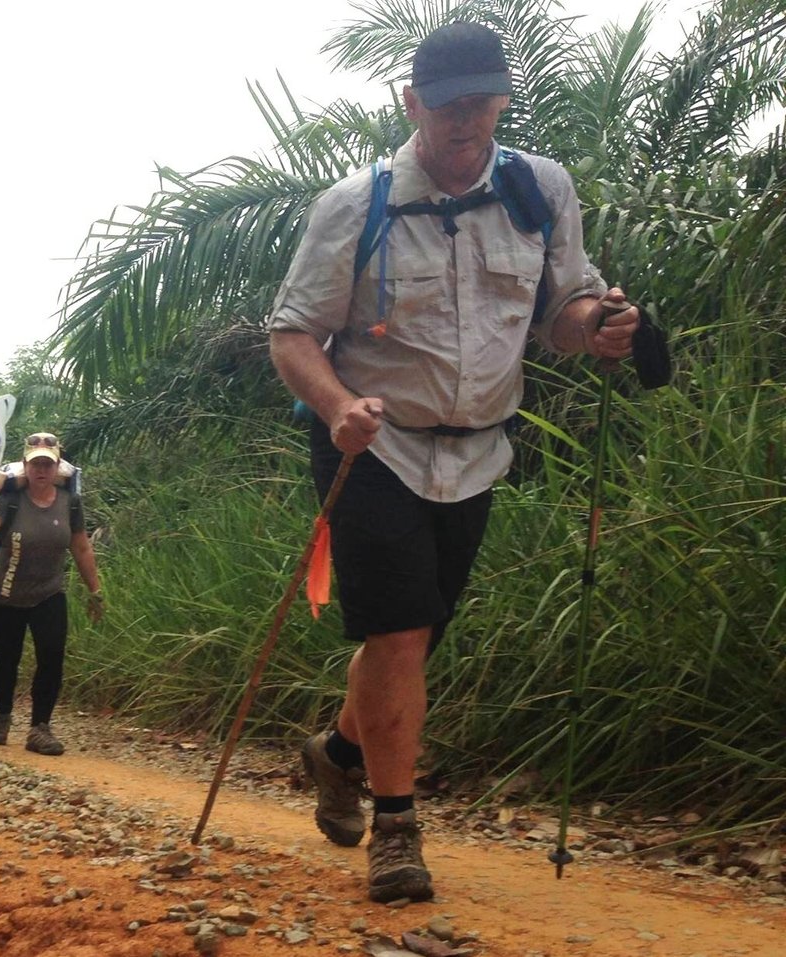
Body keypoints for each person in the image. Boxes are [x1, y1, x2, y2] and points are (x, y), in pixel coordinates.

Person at [267, 22, 640, 905]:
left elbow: (563, 307)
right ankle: (396, 829)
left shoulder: (540, 189)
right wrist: (337, 406)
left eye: (480, 102)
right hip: (374, 447)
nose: (464, 121)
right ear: (411, 105)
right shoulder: (353, 206)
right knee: (395, 631)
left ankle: (342, 753)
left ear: (502, 101)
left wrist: (599, 326)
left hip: (478, 451)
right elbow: (291, 336)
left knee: (417, 633)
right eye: (446, 105)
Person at [0, 432, 104, 757]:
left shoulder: (69, 501)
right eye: (35, 464)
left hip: (49, 592)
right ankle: (2, 717)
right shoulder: (11, 500)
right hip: (4, 595)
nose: (41, 470)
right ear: (25, 467)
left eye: (47, 463)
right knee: (7, 658)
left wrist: (96, 591)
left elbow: (81, 546)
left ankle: (40, 728)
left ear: (57, 466)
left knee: (52, 656)